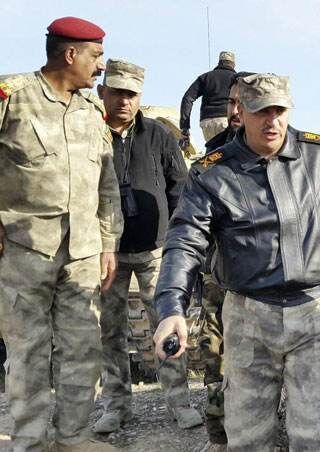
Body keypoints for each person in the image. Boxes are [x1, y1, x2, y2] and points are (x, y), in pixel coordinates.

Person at [152, 73, 320, 451]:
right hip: (249, 316)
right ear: (241, 112)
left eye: (279, 110)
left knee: (314, 436)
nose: (272, 121)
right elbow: (184, 241)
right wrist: (171, 308)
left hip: (314, 312)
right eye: (261, 111)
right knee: (248, 435)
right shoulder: (212, 172)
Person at [0, 17, 123, 452]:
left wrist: (108, 243)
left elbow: (107, 184)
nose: (101, 66)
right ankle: (30, 443)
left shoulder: (92, 111)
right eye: (96, 56)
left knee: (83, 348)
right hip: (24, 248)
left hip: (84, 251)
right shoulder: (13, 97)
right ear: (70, 54)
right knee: (28, 352)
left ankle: (73, 437)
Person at [92, 59, 198, 434]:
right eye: (117, 92)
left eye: (132, 94)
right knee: (110, 331)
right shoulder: (90, 133)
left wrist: (178, 242)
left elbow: (180, 188)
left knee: (168, 326)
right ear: (102, 92)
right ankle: (116, 407)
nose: (124, 100)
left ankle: (179, 402)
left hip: (156, 249)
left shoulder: (158, 135)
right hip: (107, 252)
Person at [198, 70, 254, 452]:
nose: (234, 111)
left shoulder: (284, 155)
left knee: (255, 363)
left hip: (259, 283)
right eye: (231, 102)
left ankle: (258, 430)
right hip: (217, 276)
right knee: (213, 356)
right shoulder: (212, 156)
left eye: (241, 103)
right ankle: (219, 436)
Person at [179, 51, 237, 144]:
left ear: (219, 62)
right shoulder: (237, 79)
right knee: (231, 150)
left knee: (213, 151)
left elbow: (187, 98)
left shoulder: (205, 77)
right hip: (227, 120)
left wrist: (185, 127)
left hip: (207, 123)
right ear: (233, 64)